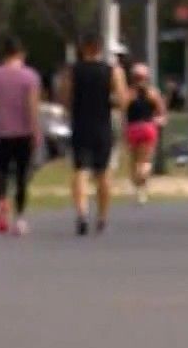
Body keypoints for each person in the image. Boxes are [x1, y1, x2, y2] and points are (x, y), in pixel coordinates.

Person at [57, 34, 127, 236]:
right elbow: (122, 100)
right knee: (103, 172)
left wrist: (73, 106)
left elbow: (64, 98)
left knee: (80, 170)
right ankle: (102, 217)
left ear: (83, 48)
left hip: (80, 125)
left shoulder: (72, 71)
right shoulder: (112, 71)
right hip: (103, 125)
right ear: (100, 49)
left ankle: (81, 213)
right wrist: (110, 102)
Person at [0, 36, 42, 236]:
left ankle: (1, 208)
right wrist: (35, 130)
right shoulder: (30, 77)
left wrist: (0, 105)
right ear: (21, 54)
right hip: (23, 132)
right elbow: (32, 106)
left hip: (1, 132)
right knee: (22, 176)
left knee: (2, 172)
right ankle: (19, 218)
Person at [123, 63, 167, 205]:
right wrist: (159, 120)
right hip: (148, 128)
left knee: (134, 161)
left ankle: (137, 187)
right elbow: (161, 111)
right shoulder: (152, 93)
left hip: (133, 128)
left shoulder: (129, 93)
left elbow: (123, 109)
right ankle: (143, 181)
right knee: (146, 160)